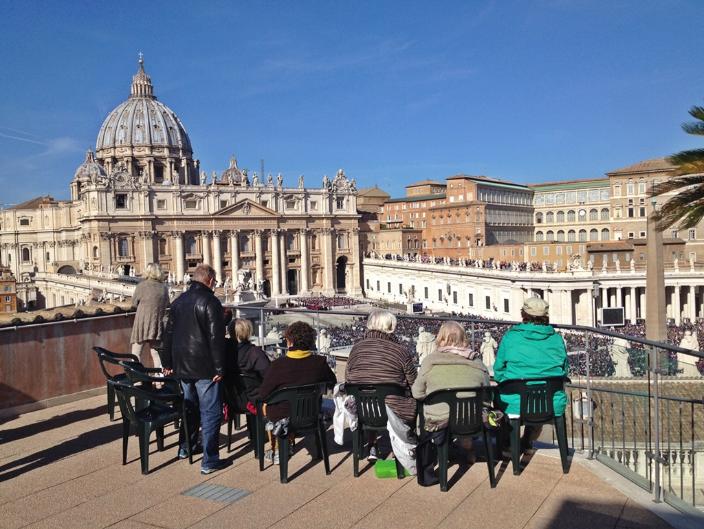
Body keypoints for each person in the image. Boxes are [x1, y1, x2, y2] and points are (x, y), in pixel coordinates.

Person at [161, 263, 231, 475]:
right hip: (204, 367)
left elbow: (168, 335)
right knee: (210, 412)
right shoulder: (210, 301)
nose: (216, 285)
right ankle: (209, 460)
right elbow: (215, 338)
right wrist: (219, 367)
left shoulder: (178, 301)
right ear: (209, 280)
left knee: (189, 408)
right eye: (215, 282)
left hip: (182, 366)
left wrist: (167, 363)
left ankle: (186, 447)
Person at [494, 297, 569, 452]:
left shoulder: (510, 337)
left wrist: (504, 382)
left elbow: (499, 370)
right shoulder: (557, 339)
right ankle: (527, 441)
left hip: (515, 401)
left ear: (523, 314)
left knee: (498, 398)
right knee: (538, 396)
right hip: (550, 402)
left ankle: (506, 444)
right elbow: (564, 369)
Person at [257, 321, 337, 464]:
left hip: (283, 417)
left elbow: (263, 394)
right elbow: (332, 382)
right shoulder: (320, 362)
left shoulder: (277, 365)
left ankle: (277, 449)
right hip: (311, 414)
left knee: (265, 406)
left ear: (289, 341)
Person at [345, 309, 417, 462]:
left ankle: (372, 444)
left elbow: (348, 380)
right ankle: (409, 446)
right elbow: (414, 384)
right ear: (391, 328)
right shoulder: (401, 352)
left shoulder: (355, 349)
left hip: (363, 411)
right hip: (394, 411)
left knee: (369, 394)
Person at [130, 263, 170, 370]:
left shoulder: (141, 286)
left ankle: (137, 381)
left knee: (136, 353)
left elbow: (134, 303)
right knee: (156, 354)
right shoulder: (164, 288)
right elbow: (167, 304)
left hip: (142, 323)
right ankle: (159, 381)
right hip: (157, 324)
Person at [233, 318, 270, 410]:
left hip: (233, 397)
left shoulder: (226, 352)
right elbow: (269, 375)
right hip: (254, 399)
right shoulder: (255, 353)